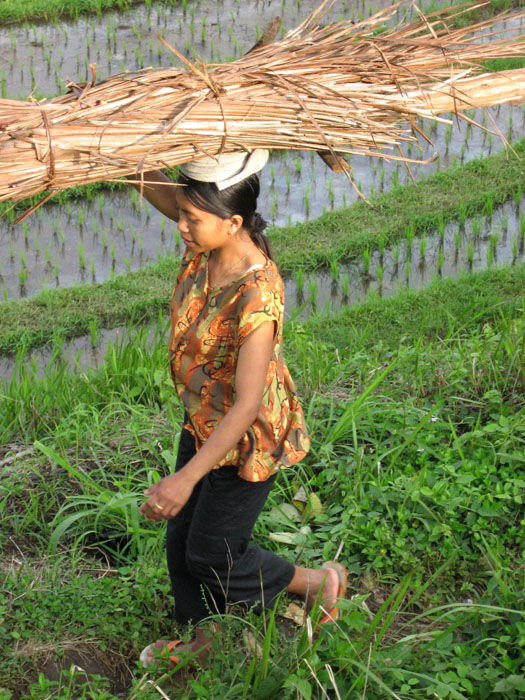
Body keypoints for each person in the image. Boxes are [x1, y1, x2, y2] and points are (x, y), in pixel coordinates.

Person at [131, 150, 347, 668]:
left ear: (232, 223)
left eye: (192, 219)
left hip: (247, 436)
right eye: (182, 213)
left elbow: (248, 403)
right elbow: (158, 189)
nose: (180, 226)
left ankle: (316, 584)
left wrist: (182, 480)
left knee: (211, 553)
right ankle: (198, 639)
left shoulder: (257, 293)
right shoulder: (207, 243)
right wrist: (107, 143)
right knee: (181, 540)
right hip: (204, 417)